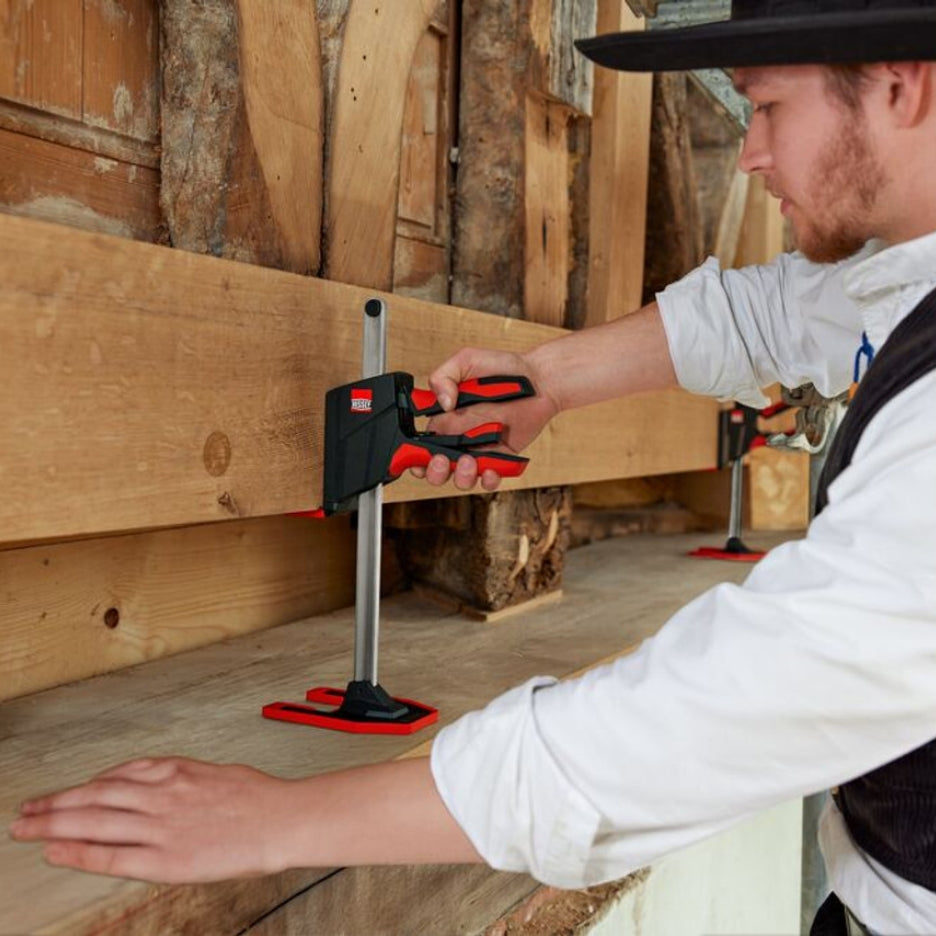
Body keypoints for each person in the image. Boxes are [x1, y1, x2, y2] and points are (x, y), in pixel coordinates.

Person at [10, 2, 936, 931]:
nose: (749, 154)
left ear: (902, 82)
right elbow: (772, 315)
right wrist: (545, 381)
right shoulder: (908, 275)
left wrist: (280, 818)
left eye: (766, 106)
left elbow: (736, 709)